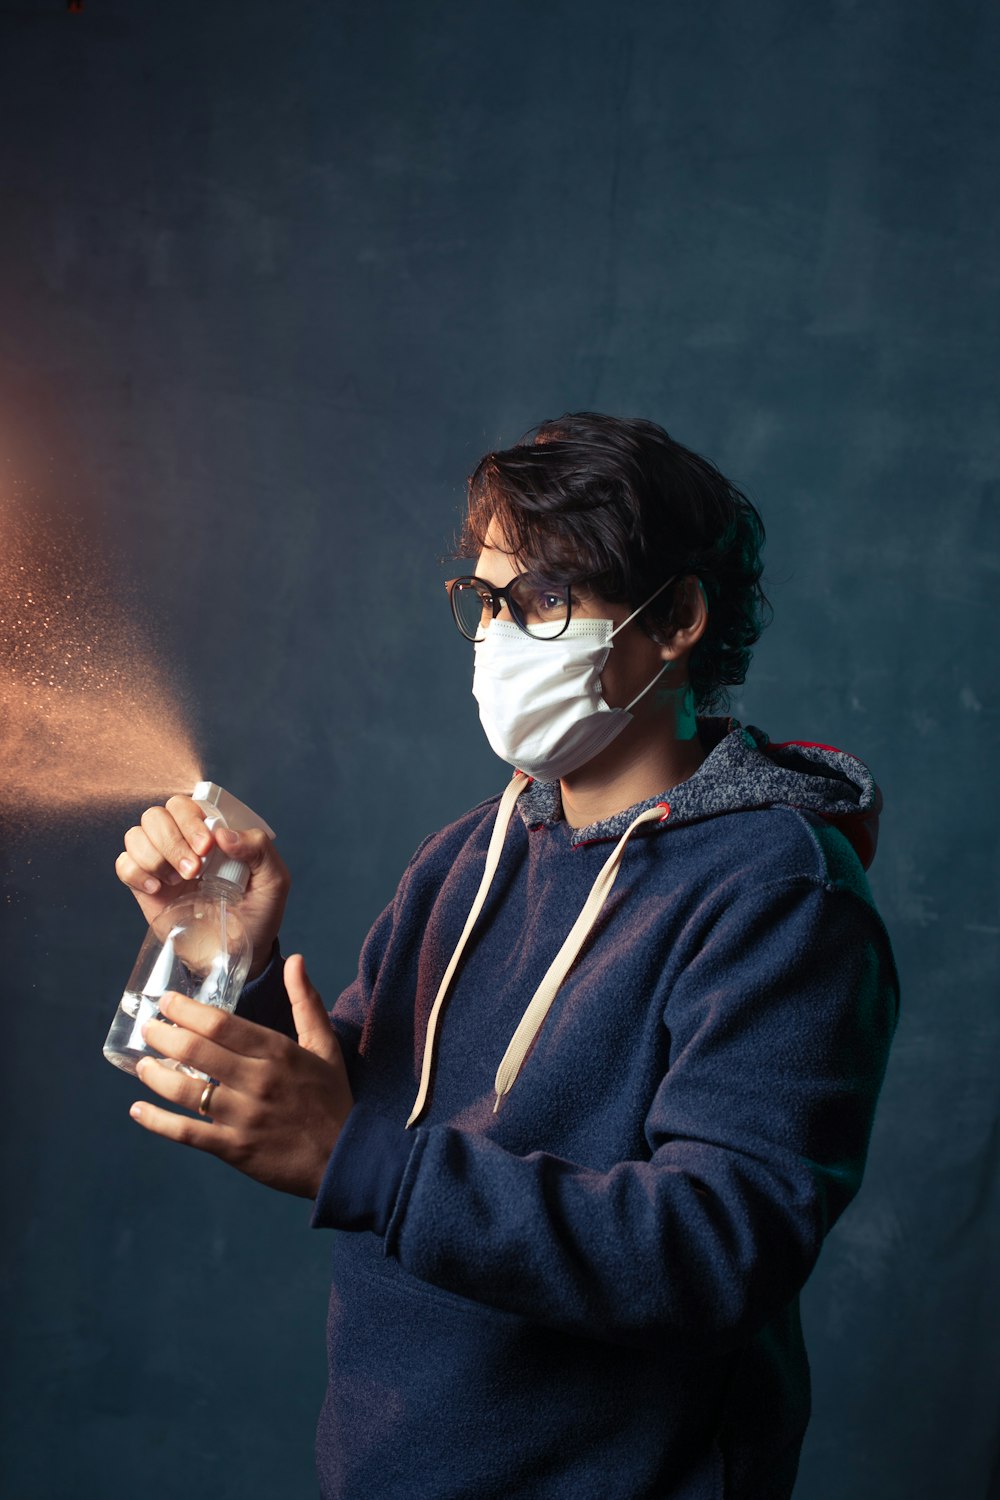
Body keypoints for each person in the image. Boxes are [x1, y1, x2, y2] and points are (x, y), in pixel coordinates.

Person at [116, 412, 899, 1500]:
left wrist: (360, 1157)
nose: (495, 634)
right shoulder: (466, 854)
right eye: (485, 600)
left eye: (543, 599)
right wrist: (223, 950)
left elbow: (718, 1248)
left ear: (674, 617)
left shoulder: (778, 894)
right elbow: (344, 1112)